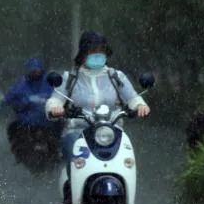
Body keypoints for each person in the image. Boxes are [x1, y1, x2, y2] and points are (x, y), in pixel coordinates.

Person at [45, 31, 151, 162]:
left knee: (127, 159)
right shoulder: (70, 78)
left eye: (101, 51)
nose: (98, 55)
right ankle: (74, 181)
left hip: (113, 132)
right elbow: (55, 100)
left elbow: (132, 98)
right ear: (83, 53)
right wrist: (55, 108)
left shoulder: (116, 76)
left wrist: (140, 105)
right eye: (93, 51)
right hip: (78, 133)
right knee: (73, 153)